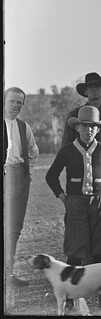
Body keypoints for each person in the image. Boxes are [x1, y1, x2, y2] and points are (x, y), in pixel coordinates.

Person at [45, 106, 101, 309]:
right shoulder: (67, 150)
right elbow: (51, 175)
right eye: (84, 126)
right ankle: (70, 296)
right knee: (75, 251)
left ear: (98, 130)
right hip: (76, 203)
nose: (89, 130)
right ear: (77, 128)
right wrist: (63, 197)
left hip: (100, 203)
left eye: (93, 127)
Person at [4, 87, 40, 287]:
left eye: (20, 102)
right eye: (13, 101)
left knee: (14, 228)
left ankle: (8, 274)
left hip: (19, 176)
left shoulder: (23, 127)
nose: (16, 105)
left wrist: (29, 174)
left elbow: (34, 151)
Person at [62, 72, 101, 167]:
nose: (94, 90)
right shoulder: (75, 115)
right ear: (85, 92)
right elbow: (66, 146)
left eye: (98, 87)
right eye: (91, 87)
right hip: (82, 169)